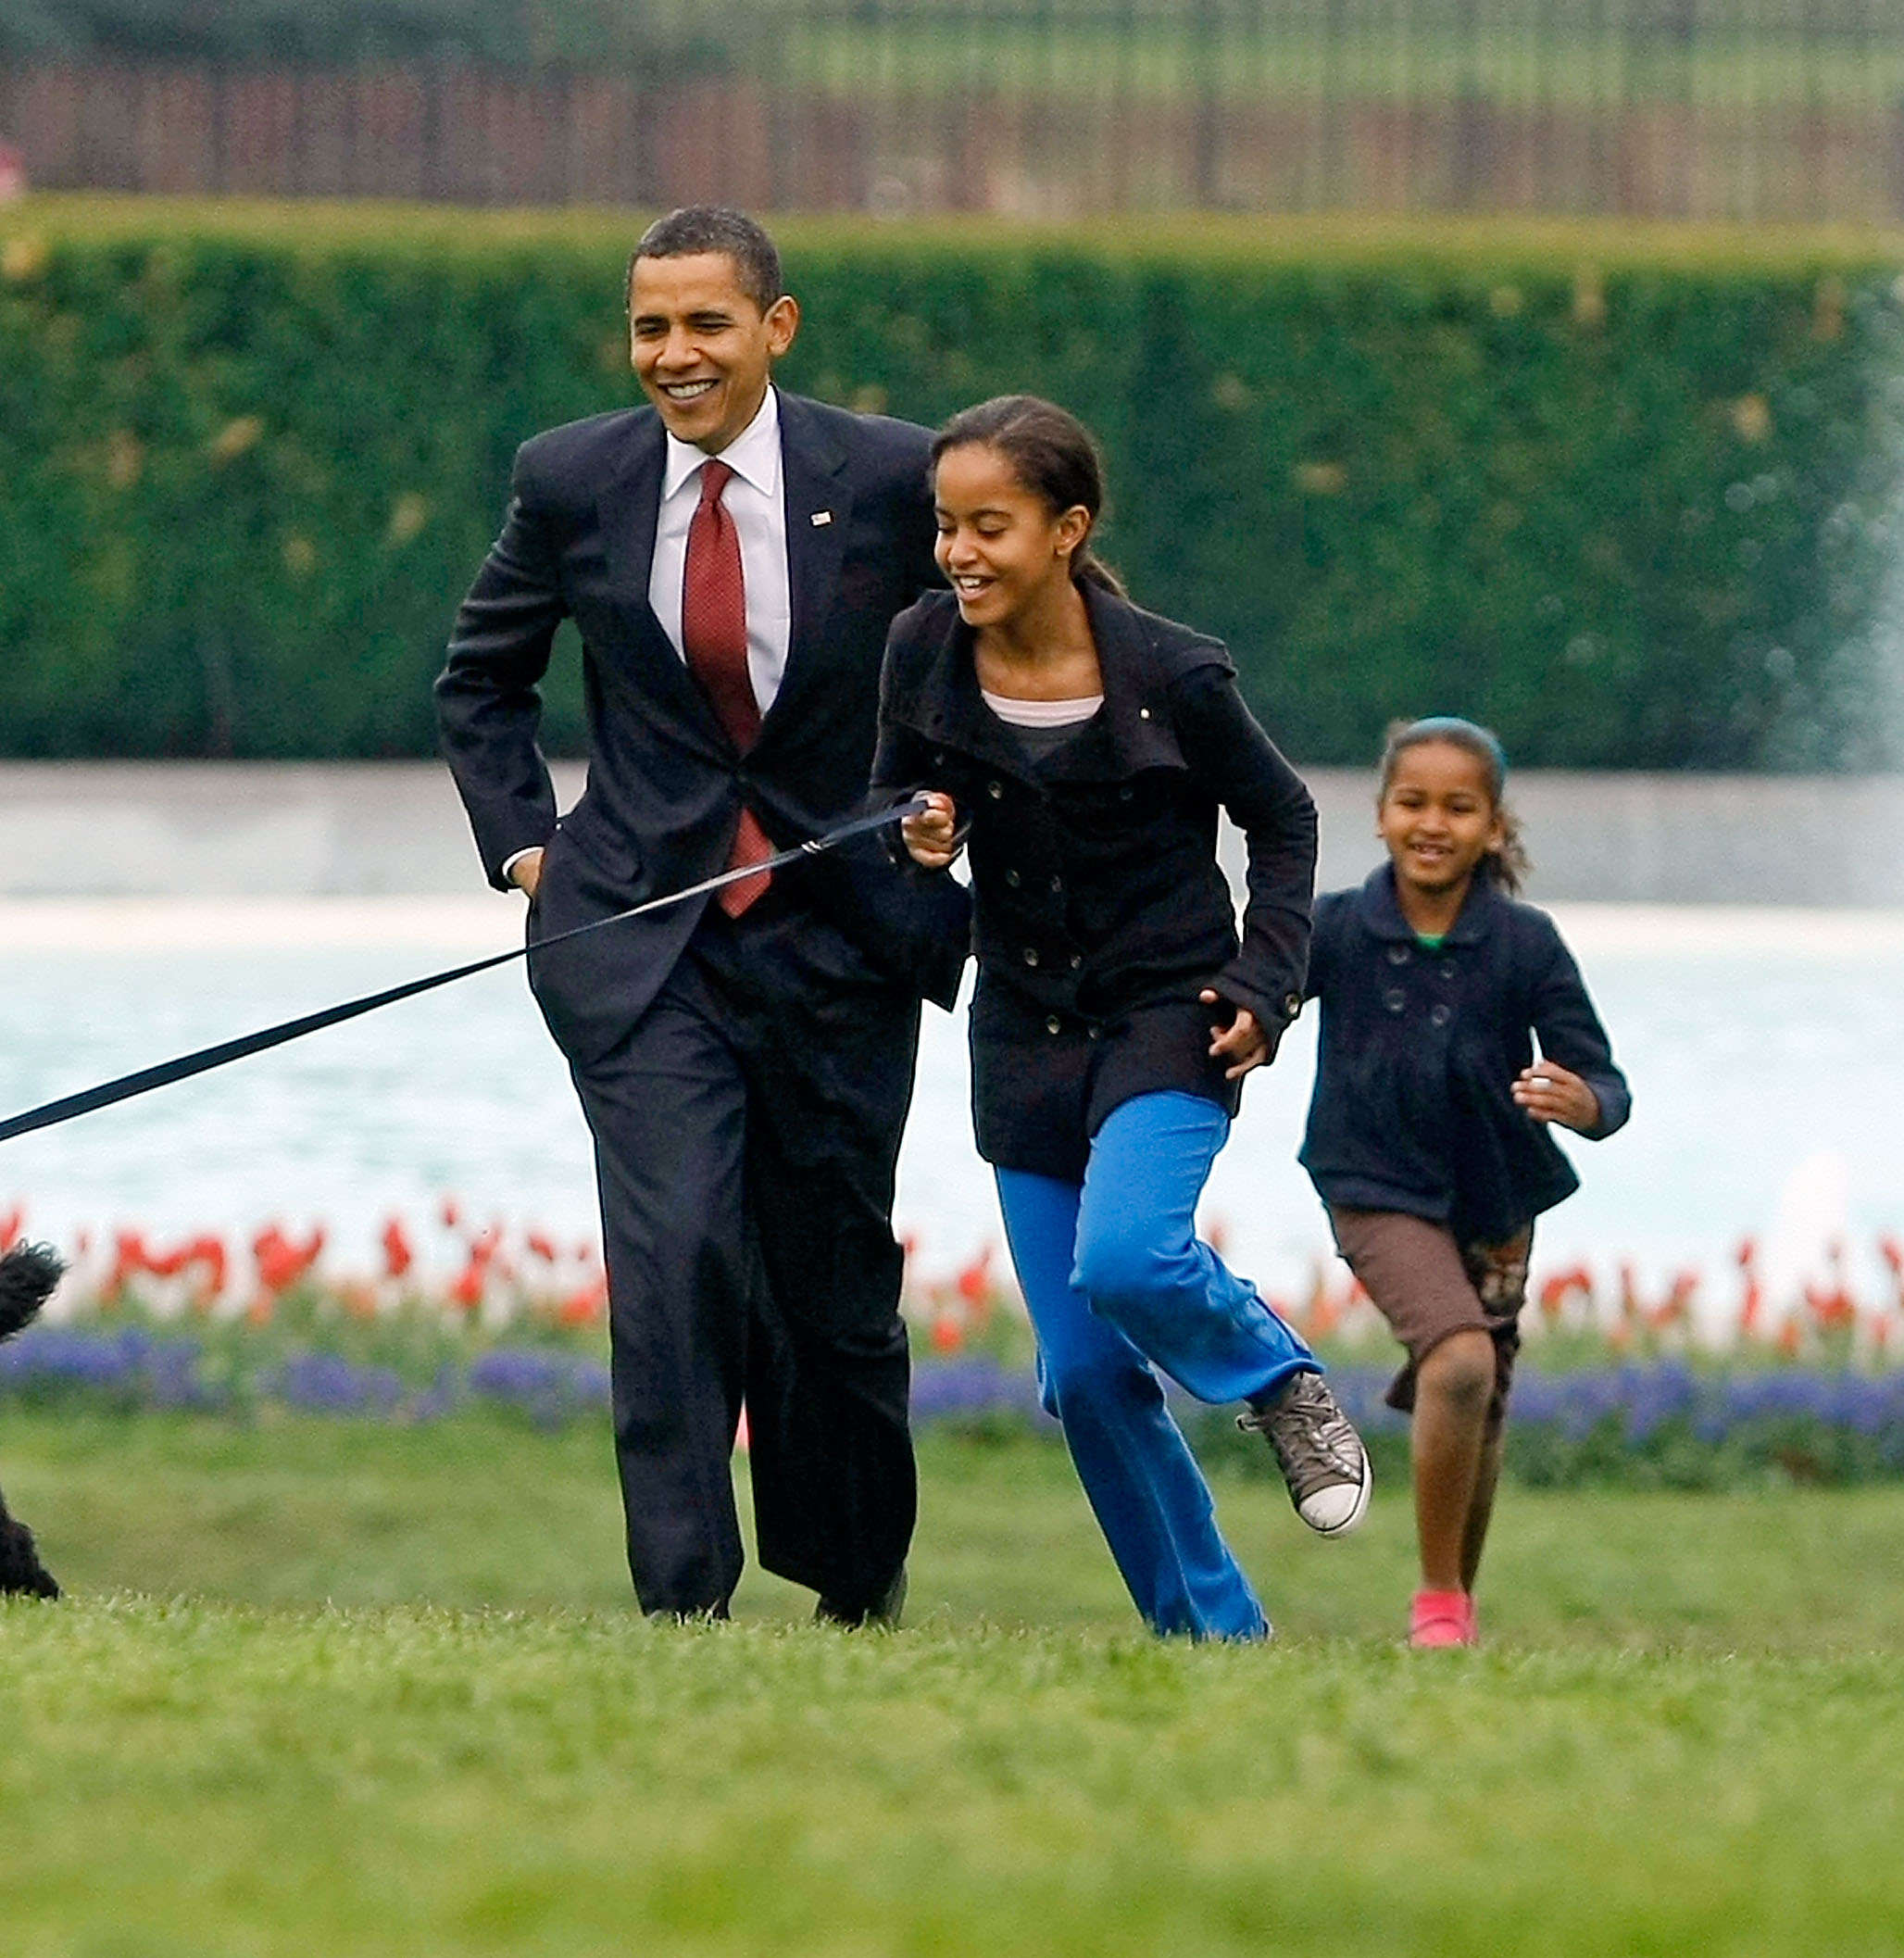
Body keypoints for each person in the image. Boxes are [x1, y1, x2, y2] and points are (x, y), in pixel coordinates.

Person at [433, 207, 970, 1624]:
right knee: (674, 1263)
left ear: (775, 330)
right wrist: (529, 853)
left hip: (843, 936)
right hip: (642, 940)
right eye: (650, 327)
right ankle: (682, 1601)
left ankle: (855, 1580)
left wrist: (953, 803)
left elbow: (1004, 641)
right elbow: (478, 683)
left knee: (831, 1284)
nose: (675, 355)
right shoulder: (571, 479)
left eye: (706, 324)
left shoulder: (895, 473)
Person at [873, 394, 1369, 1641]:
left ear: (1067, 527)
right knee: (1089, 1373)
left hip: (1169, 1011)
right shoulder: (922, 649)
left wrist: (1270, 980)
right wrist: (918, 835)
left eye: (992, 524)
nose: (962, 552)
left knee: (1130, 1257)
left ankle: (1276, 1375)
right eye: (947, 526)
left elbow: (1287, 820)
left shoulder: (1174, 671)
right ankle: (1215, 1636)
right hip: (1024, 1028)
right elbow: (894, 801)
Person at [1300, 717, 1630, 1650]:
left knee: (1476, 1396)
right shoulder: (1341, 927)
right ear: (1380, 816)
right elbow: (1261, 992)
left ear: (1493, 825)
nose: (1432, 822)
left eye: (1458, 805)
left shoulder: (1526, 943)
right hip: (1370, 1181)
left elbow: (1604, 1079)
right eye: (1413, 802)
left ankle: (1453, 1611)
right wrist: (1243, 1033)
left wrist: (1584, 1099)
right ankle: (1438, 1600)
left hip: (1496, 1200)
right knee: (1461, 1361)